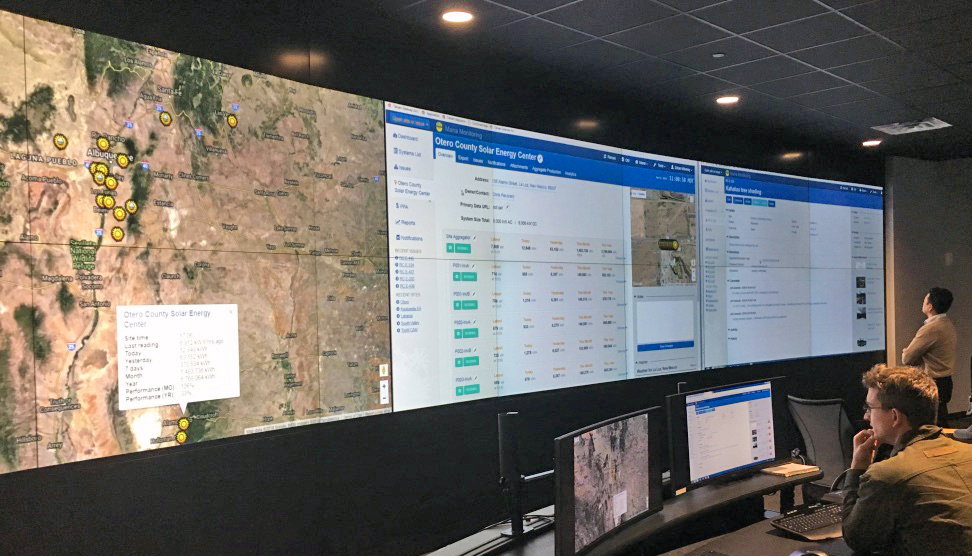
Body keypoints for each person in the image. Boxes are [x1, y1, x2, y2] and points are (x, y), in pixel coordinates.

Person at [843, 364, 972, 555]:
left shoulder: (888, 475)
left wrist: (857, 469)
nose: (866, 416)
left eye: (870, 408)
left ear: (895, 416)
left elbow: (855, 538)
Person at [901, 287, 956, 426]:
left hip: (932, 382)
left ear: (930, 307)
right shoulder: (948, 324)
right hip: (946, 381)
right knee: (940, 420)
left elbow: (907, 358)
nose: (923, 302)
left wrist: (905, 351)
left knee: (931, 424)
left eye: (925, 300)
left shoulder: (931, 328)